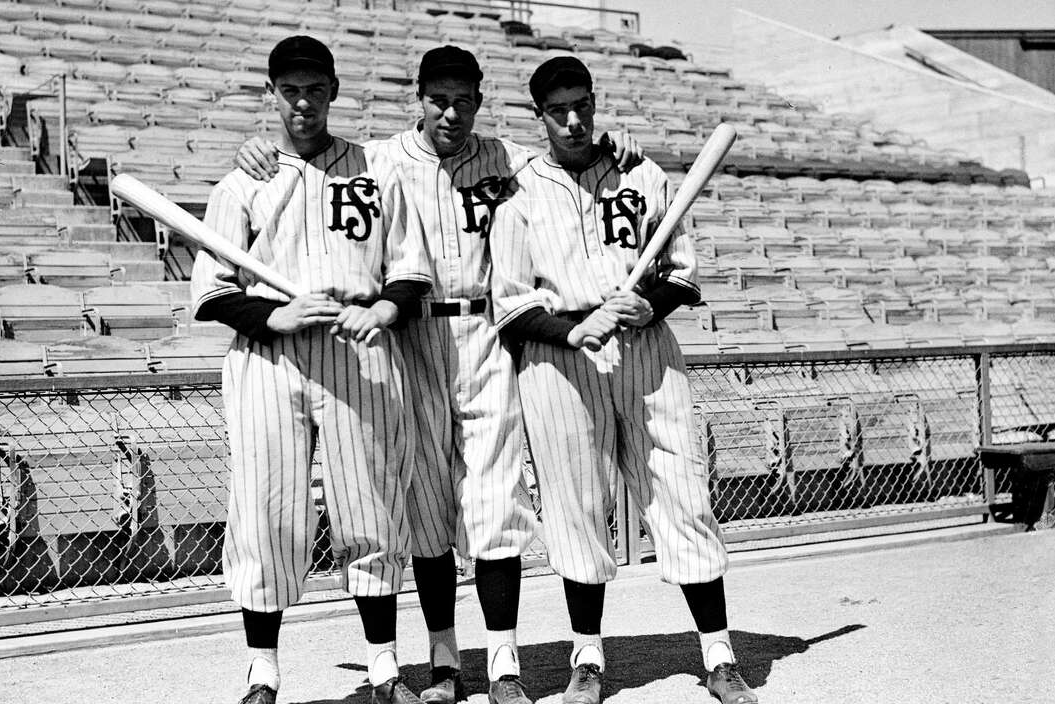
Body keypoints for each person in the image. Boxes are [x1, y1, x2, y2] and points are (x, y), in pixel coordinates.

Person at [234, 45, 643, 704]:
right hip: (411, 337)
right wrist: (257, 153)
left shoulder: (507, 158)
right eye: (438, 99)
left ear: (479, 101)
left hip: (486, 332)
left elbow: (574, 157)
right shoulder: (379, 160)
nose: (451, 112)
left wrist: (613, 145)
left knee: (495, 503)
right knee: (424, 510)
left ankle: (503, 662)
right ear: (418, 99)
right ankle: (445, 661)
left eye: (463, 100)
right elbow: (307, 161)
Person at [487, 55, 758, 704]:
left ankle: (719, 656)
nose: (575, 119)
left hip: (644, 350)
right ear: (538, 116)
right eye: (559, 110)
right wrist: (570, 329)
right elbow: (510, 301)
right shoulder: (517, 193)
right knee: (577, 508)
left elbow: (680, 270)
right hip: (560, 362)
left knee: (684, 492)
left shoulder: (641, 174)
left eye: (584, 104)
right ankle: (588, 659)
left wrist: (652, 303)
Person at [192, 35, 433, 704]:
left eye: (315, 88)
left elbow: (411, 272)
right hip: (270, 356)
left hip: (358, 348)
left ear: (332, 91)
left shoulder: (375, 171)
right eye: (290, 89)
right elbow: (212, 292)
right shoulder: (242, 183)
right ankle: (262, 674)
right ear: (274, 94)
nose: (303, 101)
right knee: (267, 512)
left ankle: (384, 669)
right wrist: (272, 318)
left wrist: (384, 309)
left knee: (372, 506)